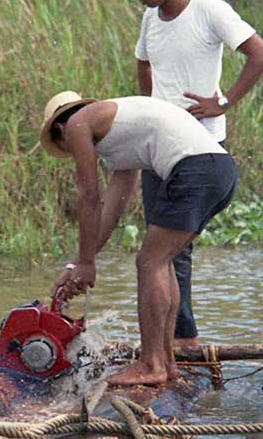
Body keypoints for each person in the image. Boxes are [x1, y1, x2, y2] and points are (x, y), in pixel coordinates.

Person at [115, 0, 263, 347]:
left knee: (168, 251)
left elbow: (258, 53)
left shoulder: (209, 11)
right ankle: (175, 342)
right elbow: (143, 62)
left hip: (199, 150)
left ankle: (180, 343)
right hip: (157, 147)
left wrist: (224, 101)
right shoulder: (150, 18)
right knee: (163, 251)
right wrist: (150, 108)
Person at [40, 91, 237, 387]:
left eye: (65, 149)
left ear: (59, 130)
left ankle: (150, 364)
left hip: (195, 169)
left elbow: (89, 197)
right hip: (218, 171)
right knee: (161, 260)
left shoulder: (78, 123)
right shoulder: (120, 140)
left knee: (150, 262)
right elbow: (111, 208)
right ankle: (167, 361)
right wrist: (79, 265)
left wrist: (85, 262)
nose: (75, 154)